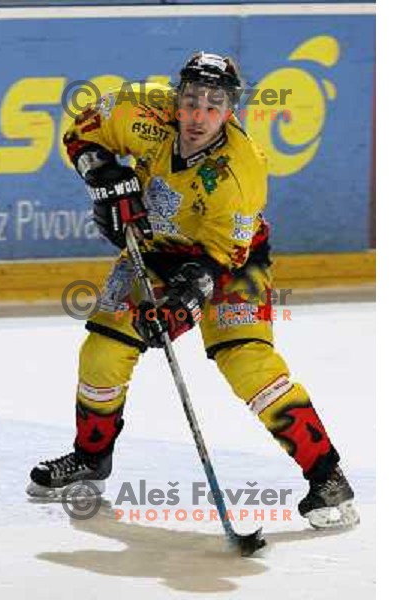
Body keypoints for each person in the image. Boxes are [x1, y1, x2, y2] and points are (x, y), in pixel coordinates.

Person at [27, 52, 359, 530]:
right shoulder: (139, 108)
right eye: (191, 101)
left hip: (229, 263)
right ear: (176, 99)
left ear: (231, 111)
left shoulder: (242, 170)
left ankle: (327, 476)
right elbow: (81, 133)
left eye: (213, 105)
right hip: (156, 249)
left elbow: (222, 258)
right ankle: (91, 457)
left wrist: (179, 308)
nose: (198, 115)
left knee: (248, 364)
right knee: (101, 352)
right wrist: (101, 173)